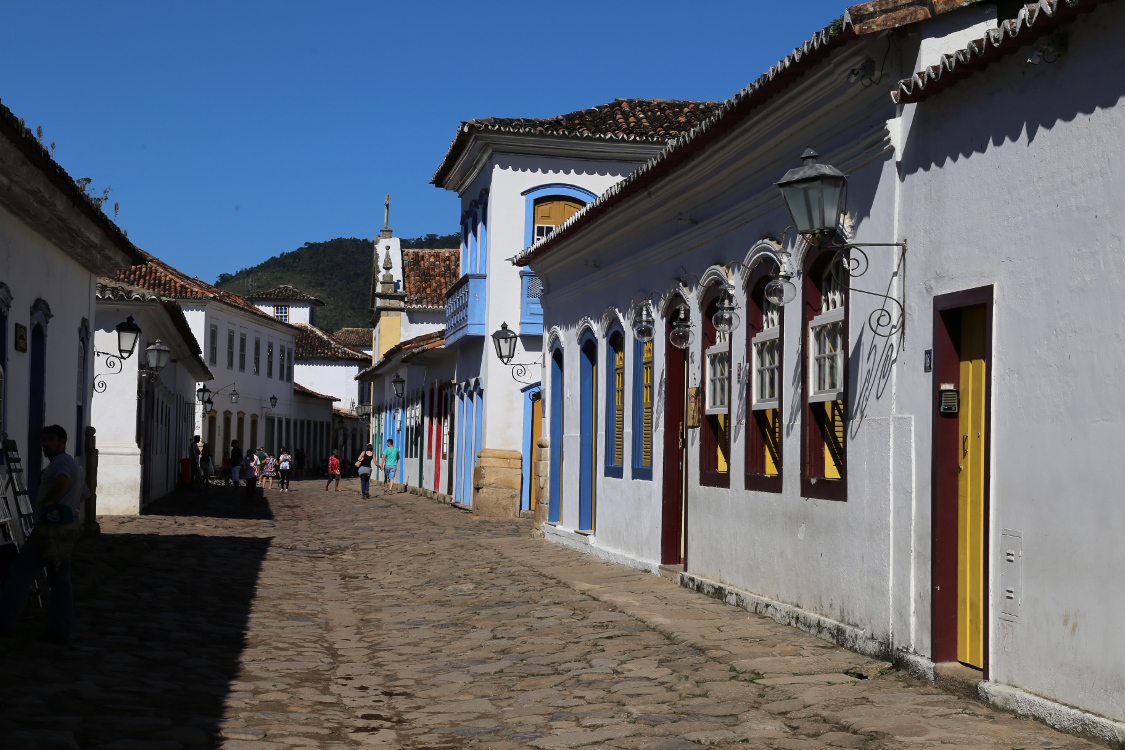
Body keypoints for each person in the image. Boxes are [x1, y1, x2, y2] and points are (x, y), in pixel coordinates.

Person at [0, 425, 87, 644]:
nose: (45, 444)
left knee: (20, 574)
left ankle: (6, 622)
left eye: (50, 440)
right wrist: (69, 509)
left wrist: (49, 502)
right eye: (44, 440)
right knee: (59, 580)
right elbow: (85, 493)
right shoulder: (74, 464)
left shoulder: (61, 463)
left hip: (48, 531)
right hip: (64, 532)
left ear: (63, 442)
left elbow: (62, 481)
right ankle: (61, 629)